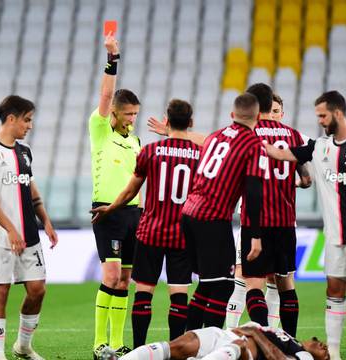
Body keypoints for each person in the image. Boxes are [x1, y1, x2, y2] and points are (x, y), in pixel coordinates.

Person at [263, 91, 346, 360]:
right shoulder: (319, 146)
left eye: (322, 115)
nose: (319, 120)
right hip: (333, 237)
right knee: (334, 291)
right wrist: (247, 140)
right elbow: (278, 153)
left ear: (337, 113)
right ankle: (334, 353)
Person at [91, 99, 200, 347]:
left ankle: (140, 348)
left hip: (151, 231)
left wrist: (111, 207)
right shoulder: (199, 154)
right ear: (191, 123)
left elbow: (130, 191)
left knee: (143, 292)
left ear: (167, 121)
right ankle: (176, 348)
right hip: (181, 232)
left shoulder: (150, 151)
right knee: (179, 294)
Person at [0, 95, 58, 360]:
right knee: (0, 291)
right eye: (27, 119)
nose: (29, 126)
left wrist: (46, 220)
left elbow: (31, 190)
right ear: (11, 118)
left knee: (37, 290)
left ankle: (23, 346)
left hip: (29, 237)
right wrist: (10, 229)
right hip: (0, 236)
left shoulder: (24, 152)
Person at [225, 85, 310, 337]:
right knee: (285, 283)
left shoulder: (248, 134)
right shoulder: (294, 136)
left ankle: (264, 338)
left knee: (252, 284)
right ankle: (290, 340)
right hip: (285, 221)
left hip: (256, 221)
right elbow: (306, 180)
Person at [182, 93, 264, 330]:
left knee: (208, 284)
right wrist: (256, 235)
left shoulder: (215, 136)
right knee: (225, 285)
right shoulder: (253, 145)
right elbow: (254, 193)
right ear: (258, 117)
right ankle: (208, 346)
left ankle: (191, 343)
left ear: (232, 115)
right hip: (212, 219)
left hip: (189, 212)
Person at [89, 33, 142, 358]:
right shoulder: (100, 129)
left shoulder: (136, 142)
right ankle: (98, 343)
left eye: (136, 115)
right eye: (128, 114)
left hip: (133, 213)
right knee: (110, 275)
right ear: (114, 114)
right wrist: (113, 59)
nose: (132, 120)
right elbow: (107, 93)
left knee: (124, 280)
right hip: (106, 211)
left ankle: (118, 343)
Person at [107, 322, 329, 360]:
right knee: (181, 345)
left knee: (240, 347)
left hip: (244, 351)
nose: (323, 345)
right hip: (226, 335)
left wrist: (255, 333)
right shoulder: (290, 338)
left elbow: (277, 358)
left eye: (326, 353)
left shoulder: (303, 356)